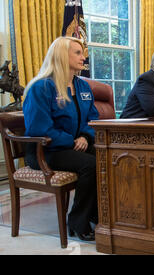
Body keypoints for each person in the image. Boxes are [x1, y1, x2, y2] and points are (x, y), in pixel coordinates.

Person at [23, 36, 99, 241]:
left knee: (108, 158)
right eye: (78, 53)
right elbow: (39, 128)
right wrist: (71, 141)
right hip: (45, 151)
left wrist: (84, 136)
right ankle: (77, 221)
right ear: (61, 56)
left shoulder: (82, 86)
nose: (83, 57)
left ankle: (96, 213)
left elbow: (93, 118)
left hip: (74, 145)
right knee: (90, 165)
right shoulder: (41, 87)